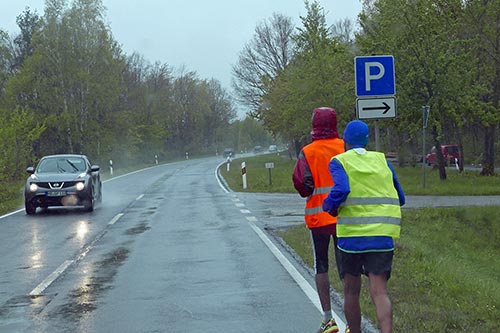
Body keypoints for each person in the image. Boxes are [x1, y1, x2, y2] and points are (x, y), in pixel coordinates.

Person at [322, 120, 405, 333]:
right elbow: (400, 197)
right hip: (382, 236)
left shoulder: (339, 161)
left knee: (351, 291)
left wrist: (329, 206)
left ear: (345, 141)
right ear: (367, 141)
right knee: (380, 292)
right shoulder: (382, 160)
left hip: (352, 239)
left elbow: (341, 189)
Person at [292, 107, 345, 333]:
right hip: (344, 218)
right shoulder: (345, 147)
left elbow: (303, 186)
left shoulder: (308, 152)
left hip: (318, 219)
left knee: (321, 266)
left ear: (314, 124)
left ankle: (328, 319)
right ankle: (352, 320)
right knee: (347, 268)